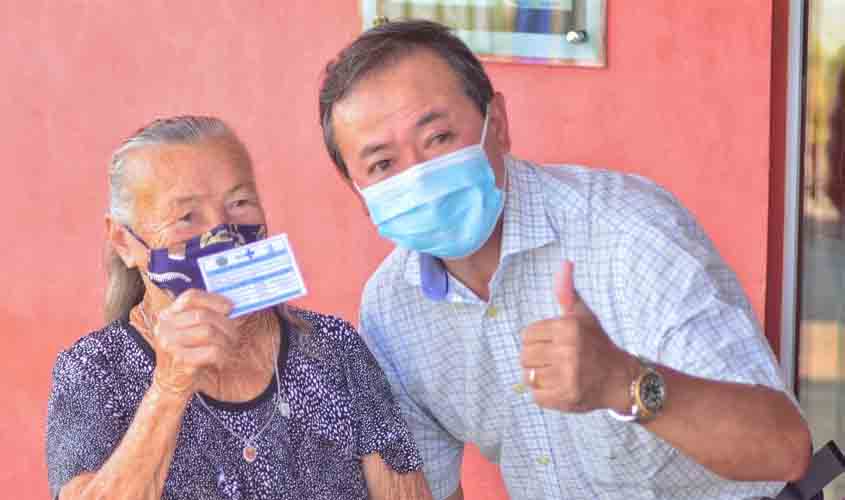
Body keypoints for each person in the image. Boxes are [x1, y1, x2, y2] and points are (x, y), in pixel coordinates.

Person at [318, 19, 812, 500]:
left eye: (438, 139)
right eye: (383, 164)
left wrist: (625, 381)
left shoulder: (626, 230)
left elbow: (784, 449)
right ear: (358, 193)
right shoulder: (391, 307)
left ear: (500, 125)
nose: (420, 176)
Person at [45, 116, 433, 500]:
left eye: (240, 203)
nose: (222, 231)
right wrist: (168, 389)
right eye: (186, 216)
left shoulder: (333, 349)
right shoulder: (93, 372)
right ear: (125, 242)